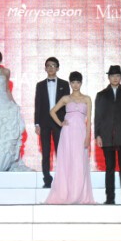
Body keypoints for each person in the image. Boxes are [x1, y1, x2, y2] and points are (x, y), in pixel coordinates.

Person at [44, 71, 94, 204]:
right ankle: (65, 193)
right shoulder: (66, 98)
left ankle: (79, 194)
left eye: (78, 82)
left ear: (81, 83)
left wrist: (88, 137)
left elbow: (89, 120)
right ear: (70, 83)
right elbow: (52, 111)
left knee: (80, 162)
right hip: (67, 133)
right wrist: (60, 123)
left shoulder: (87, 99)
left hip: (81, 133)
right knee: (67, 162)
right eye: (73, 82)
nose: (75, 85)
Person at [94, 65, 121, 205]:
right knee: (109, 168)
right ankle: (110, 199)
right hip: (106, 136)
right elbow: (98, 117)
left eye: (117, 75)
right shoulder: (101, 95)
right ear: (108, 77)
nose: (115, 78)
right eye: (112, 76)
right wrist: (97, 135)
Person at [35, 57, 70, 188]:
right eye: (48, 66)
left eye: (53, 65)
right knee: (45, 152)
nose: (51, 68)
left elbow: (67, 104)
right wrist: (36, 123)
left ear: (58, 68)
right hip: (44, 123)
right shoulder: (40, 85)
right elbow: (37, 104)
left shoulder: (64, 84)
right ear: (45, 68)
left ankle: (62, 180)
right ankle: (47, 180)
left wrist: (67, 120)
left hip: (59, 122)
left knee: (60, 152)